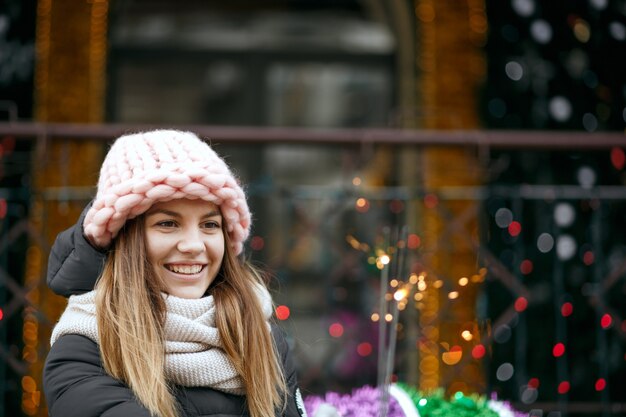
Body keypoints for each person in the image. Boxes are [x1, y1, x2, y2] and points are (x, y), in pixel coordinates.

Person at [43, 130, 308, 417]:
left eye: (209, 225)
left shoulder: (261, 334)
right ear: (125, 237)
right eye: (168, 223)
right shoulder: (85, 347)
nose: (194, 245)